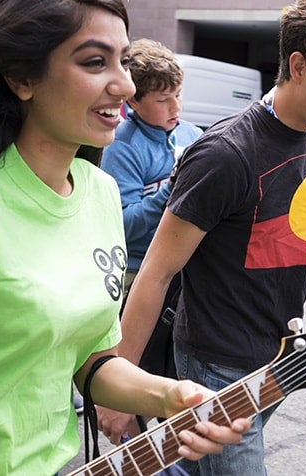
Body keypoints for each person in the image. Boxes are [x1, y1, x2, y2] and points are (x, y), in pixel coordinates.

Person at [0, 0, 250, 474]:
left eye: (124, 61)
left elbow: (91, 360)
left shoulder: (100, 192)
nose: (125, 85)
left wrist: (171, 395)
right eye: (93, 61)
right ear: (22, 79)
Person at [101, 0, 306, 474]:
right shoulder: (225, 154)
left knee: (192, 465)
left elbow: (280, 229)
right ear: (298, 65)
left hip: (281, 356)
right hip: (217, 365)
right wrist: (120, 385)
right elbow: (156, 272)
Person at [97, 38, 202, 433]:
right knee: (141, 381)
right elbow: (122, 224)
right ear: (134, 102)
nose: (175, 108)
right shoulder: (123, 146)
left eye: (178, 95)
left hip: (187, 272)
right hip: (140, 276)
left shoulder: (191, 133)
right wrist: (171, 191)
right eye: (162, 100)